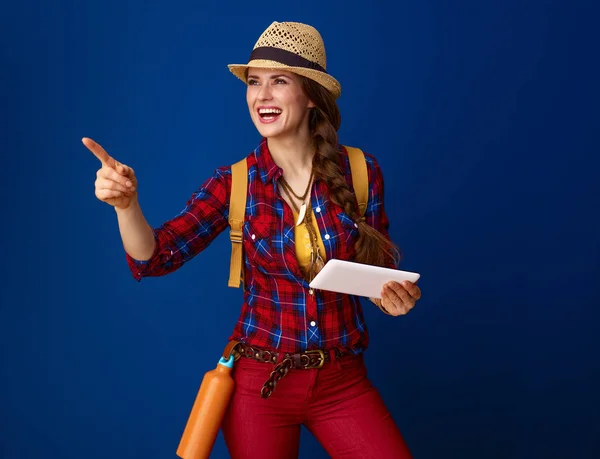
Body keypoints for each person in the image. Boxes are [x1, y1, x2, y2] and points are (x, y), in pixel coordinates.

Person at [84, 20, 421, 459]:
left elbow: (376, 273)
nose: (261, 96)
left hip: (343, 380)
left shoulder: (362, 171)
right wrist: (126, 206)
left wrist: (392, 296)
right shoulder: (234, 184)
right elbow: (156, 257)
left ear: (310, 95)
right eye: (254, 82)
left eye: (279, 82)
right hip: (259, 386)